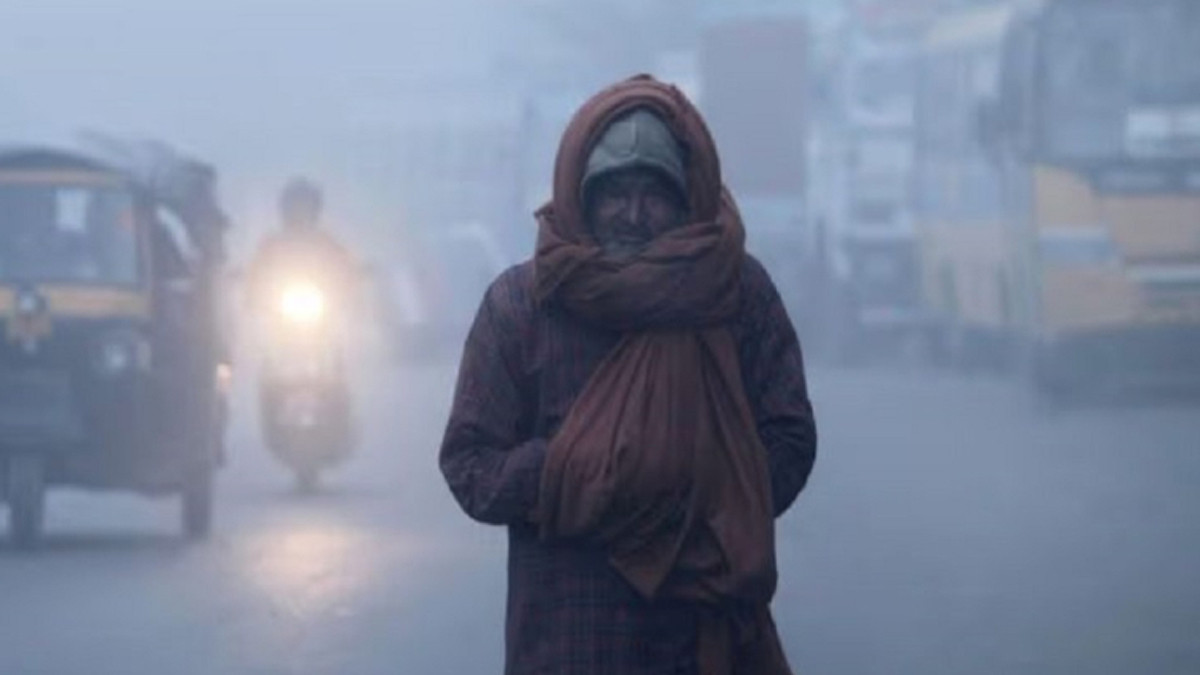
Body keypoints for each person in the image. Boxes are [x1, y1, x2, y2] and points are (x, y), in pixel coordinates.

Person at [440, 75, 818, 675]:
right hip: (567, 644)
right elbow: (468, 466)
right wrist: (574, 472)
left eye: (654, 193)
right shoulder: (522, 306)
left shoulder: (736, 295)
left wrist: (699, 497)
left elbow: (791, 439)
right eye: (615, 192)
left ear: (686, 197)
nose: (635, 214)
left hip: (700, 638)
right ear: (581, 195)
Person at [246, 176, 358, 313]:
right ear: (285, 210)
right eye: (295, 207)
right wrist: (255, 292)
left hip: (324, 313)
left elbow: (345, 272)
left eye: (306, 207)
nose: (300, 213)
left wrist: (352, 281)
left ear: (315, 210)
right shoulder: (271, 246)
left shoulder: (328, 245)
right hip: (276, 313)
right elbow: (255, 277)